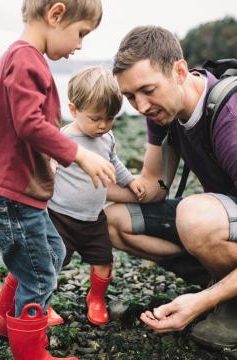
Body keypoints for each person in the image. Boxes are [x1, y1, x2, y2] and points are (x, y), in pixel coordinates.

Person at [105, 25, 237, 348]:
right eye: (130, 96)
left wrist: (200, 301)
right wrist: (76, 184)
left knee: (194, 216)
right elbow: (152, 187)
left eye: (147, 90)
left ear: (178, 70)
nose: (141, 105)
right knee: (113, 221)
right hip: (232, 217)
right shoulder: (162, 111)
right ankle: (228, 282)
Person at [0, 1, 114, 358]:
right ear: (56, 15)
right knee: (40, 276)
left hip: (19, 193)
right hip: (9, 195)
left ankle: (4, 321)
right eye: (80, 34)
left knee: (52, 252)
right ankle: (31, 353)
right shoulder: (26, 59)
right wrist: (78, 153)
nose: (79, 45)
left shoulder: (26, 59)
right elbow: (28, 123)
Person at [47, 65, 145, 326]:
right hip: (60, 217)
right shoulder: (63, 139)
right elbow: (46, 168)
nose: (103, 125)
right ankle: (42, 303)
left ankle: (96, 298)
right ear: (74, 110)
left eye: (110, 118)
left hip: (93, 218)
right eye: (96, 118)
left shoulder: (107, 137)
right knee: (51, 263)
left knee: (103, 261)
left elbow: (115, 162)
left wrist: (130, 181)